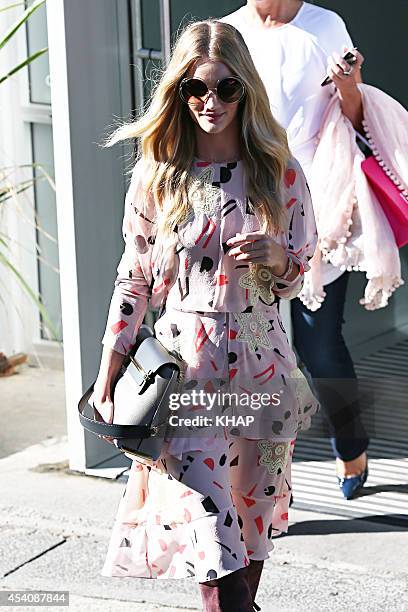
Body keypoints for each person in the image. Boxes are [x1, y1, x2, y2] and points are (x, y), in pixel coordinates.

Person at [92, 19, 319, 612]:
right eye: (195, 89)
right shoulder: (157, 174)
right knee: (213, 547)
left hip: (262, 374)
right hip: (185, 377)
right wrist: (107, 371)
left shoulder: (279, 171)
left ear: (246, 90)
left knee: (250, 540)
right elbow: (133, 276)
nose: (209, 102)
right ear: (178, 93)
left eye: (225, 89)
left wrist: (279, 258)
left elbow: (303, 270)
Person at [221, 0, 371, 499]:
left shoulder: (324, 25)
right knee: (249, 354)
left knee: (320, 347)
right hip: (245, 206)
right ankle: (255, 481)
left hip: (320, 203)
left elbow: (354, 119)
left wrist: (349, 85)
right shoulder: (229, 31)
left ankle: (351, 449)